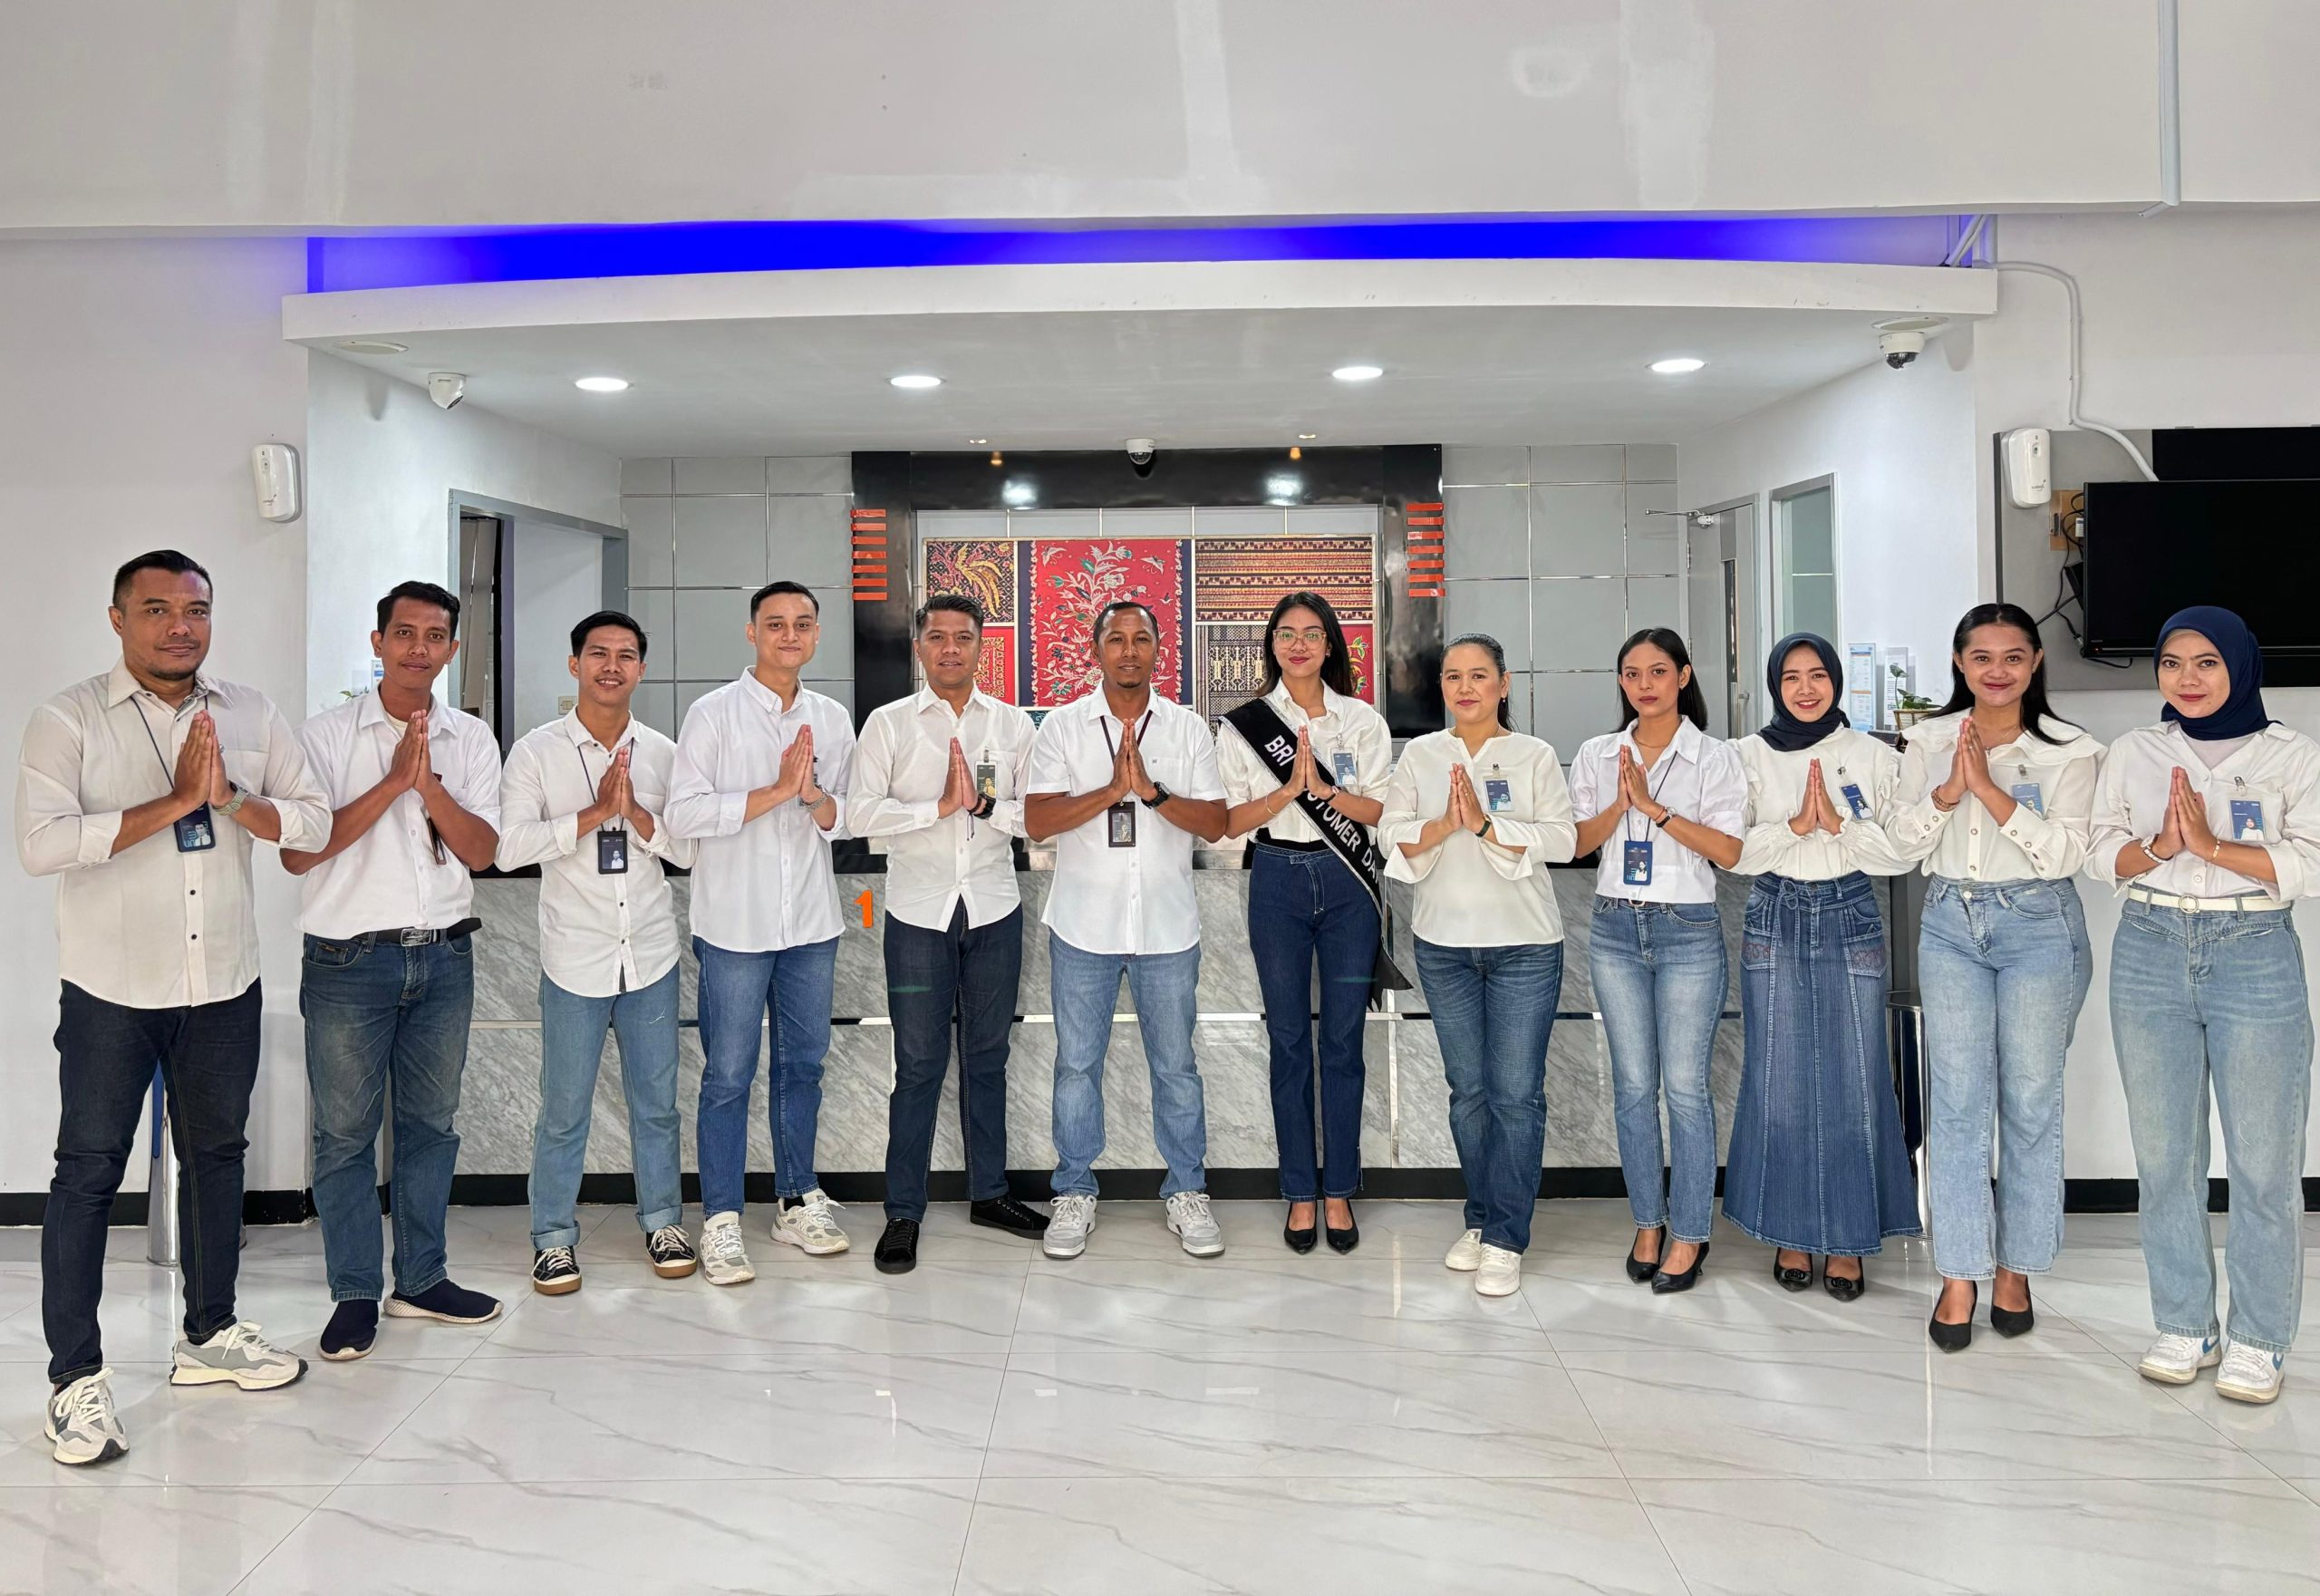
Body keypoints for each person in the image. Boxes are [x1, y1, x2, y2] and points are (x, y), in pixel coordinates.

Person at [14, 551, 330, 1465]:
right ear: (118, 618)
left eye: (195, 610)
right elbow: (42, 845)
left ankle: (210, 1334)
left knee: (218, 1159)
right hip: (112, 988)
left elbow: (312, 822)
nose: (180, 627)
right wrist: (178, 801)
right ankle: (74, 1381)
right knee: (86, 1174)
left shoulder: (251, 712)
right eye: (156, 610)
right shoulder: (68, 717)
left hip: (223, 981)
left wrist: (229, 798)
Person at [2087, 605, 2318, 1405]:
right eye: (2172, 662)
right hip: (2149, 946)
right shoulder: (2136, 752)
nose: (2187, 678)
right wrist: (2161, 845)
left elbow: (2312, 861)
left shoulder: (2291, 755)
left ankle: (2260, 1338)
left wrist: (2213, 847)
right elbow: (2099, 851)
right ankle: (2187, 1323)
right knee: (2164, 1158)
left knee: (2263, 1163)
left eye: (2207, 662)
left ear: (2241, 666)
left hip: (2254, 950)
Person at [285, 580, 505, 1361]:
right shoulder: (323, 737)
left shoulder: (469, 738)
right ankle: (354, 1293)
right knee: (345, 1135)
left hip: (444, 955)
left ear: (451, 648)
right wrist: (391, 782)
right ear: (377, 642)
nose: (419, 648)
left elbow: (482, 850)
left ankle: (421, 1278)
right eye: (404, 633)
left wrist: (427, 782)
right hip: (349, 960)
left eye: (435, 635)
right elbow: (298, 852)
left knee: (430, 1127)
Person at [1890, 603, 2100, 1351]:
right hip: (1951, 921)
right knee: (1956, 1103)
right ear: (1960, 662)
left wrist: (1991, 791)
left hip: (2039, 924)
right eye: (1982, 657)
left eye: (2014, 656)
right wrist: (1951, 787)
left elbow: (2067, 855)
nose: (1998, 671)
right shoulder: (1927, 741)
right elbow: (1899, 845)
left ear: (2035, 662)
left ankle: (2017, 1267)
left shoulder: (2070, 750)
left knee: (2031, 1100)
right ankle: (1959, 1271)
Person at [496, 611, 700, 1296]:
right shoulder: (536, 752)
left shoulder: (665, 753)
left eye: (626, 655)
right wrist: (592, 814)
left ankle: (663, 1221)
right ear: (575, 663)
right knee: (563, 1109)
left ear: (642, 668)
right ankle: (553, 1237)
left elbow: (690, 849)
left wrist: (636, 814)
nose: (612, 666)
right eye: (598, 653)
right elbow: (509, 848)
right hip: (574, 957)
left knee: (657, 1105)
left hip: (649, 952)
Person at [846, 593, 1049, 1274]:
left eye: (964, 637)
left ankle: (990, 1192)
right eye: (938, 637)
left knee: (988, 1058)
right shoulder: (888, 724)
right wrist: (936, 807)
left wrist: (984, 805)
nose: (951, 648)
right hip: (916, 916)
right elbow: (860, 816)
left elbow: (1036, 817)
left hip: (994, 909)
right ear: (919, 647)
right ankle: (904, 1210)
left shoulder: (1013, 724)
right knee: (918, 1065)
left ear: (981, 646)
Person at [1023, 599, 1232, 1260]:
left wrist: (1154, 794)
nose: (1130, 650)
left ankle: (1187, 1190)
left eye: (1142, 638)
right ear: (1097, 650)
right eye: (1117, 639)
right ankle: (1074, 1191)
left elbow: (1216, 823)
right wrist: (1112, 791)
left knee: (1177, 1069)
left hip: (1167, 929)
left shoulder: (1187, 728)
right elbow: (1037, 820)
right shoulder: (1062, 727)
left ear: (1158, 650)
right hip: (1082, 927)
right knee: (1075, 1067)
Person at [666, 580, 856, 1283]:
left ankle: (796, 1199)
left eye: (802, 623)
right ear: (752, 632)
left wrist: (814, 797)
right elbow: (682, 813)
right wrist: (775, 791)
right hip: (734, 926)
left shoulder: (832, 718)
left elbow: (847, 817)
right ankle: (720, 1218)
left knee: (802, 1067)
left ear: (816, 634)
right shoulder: (712, 713)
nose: (789, 634)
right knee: (728, 1074)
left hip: (810, 921)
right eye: (775, 623)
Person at [1380, 633, 1576, 1298]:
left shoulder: (1533, 755)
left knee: (1515, 1093)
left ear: (1503, 684)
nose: (1465, 687)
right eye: (1453, 676)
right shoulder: (1421, 756)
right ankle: (1483, 1216)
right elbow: (1390, 833)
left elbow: (1564, 838)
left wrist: (1489, 826)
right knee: (1468, 1092)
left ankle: (1506, 1236)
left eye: (1479, 675)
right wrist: (1444, 823)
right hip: (1444, 946)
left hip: (1525, 946)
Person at [1725, 634, 1919, 1300]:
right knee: (1778, 1081)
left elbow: (1898, 856)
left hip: (1850, 910)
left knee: (1855, 1078)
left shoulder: (1875, 756)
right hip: (1774, 911)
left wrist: (1837, 825)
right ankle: (1792, 1231)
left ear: (1836, 680)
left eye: (1817, 676)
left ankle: (1846, 1238)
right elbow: (1733, 852)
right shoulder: (1746, 755)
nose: (1805, 689)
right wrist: (1794, 829)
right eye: (1791, 677)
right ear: (1774, 685)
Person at [1568, 628, 1745, 1295]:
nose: (1645, 684)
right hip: (1615, 926)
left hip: (1687, 929)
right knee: (1635, 1086)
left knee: (1686, 1088)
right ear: (1621, 682)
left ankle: (1690, 1230)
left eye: (1659, 671)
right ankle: (1648, 1221)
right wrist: (1621, 803)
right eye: (1632, 673)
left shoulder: (1714, 757)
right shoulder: (1598, 754)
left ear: (1684, 676)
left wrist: (1654, 809)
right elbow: (1578, 844)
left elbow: (1728, 850)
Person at [1217, 591, 1394, 1253]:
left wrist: (1326, 794)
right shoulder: (1243, 726)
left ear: (1330, 645)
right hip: (1276, 881)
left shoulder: (1361, 720)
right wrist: (1288, 792)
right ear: (1272, 645)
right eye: (1286, 634)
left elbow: (1379, 811)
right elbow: (1229, 822)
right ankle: (1299, 1190)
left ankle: (1339, 1188)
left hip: (1347, 886)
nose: (1298, 645)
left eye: (1312, 634)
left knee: (1343, 1041)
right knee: (1288, 1039)